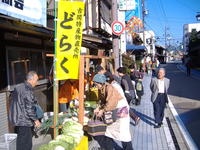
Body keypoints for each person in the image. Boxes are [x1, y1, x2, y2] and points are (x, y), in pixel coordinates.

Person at [93, 74, 133, 150]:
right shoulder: (102, 88)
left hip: (121, 110)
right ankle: (107, 148)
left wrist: (102, 110)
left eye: (96, 84)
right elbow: (103, 101)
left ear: (101, 83)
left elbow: (111, 103)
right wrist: (98, 107)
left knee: (124, 134)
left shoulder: (110, 87)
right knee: (108, 132)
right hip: (114, 110)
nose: (96, 86)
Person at [9, 71, 41, 150]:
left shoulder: (19, 87)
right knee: (27, 144)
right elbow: (29, 108)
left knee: (20, 141)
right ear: (31, 80)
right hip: (24, 120)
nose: (37, 83)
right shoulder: (27, 91)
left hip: (17, 119)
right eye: (36, 80)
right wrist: (36, 120)